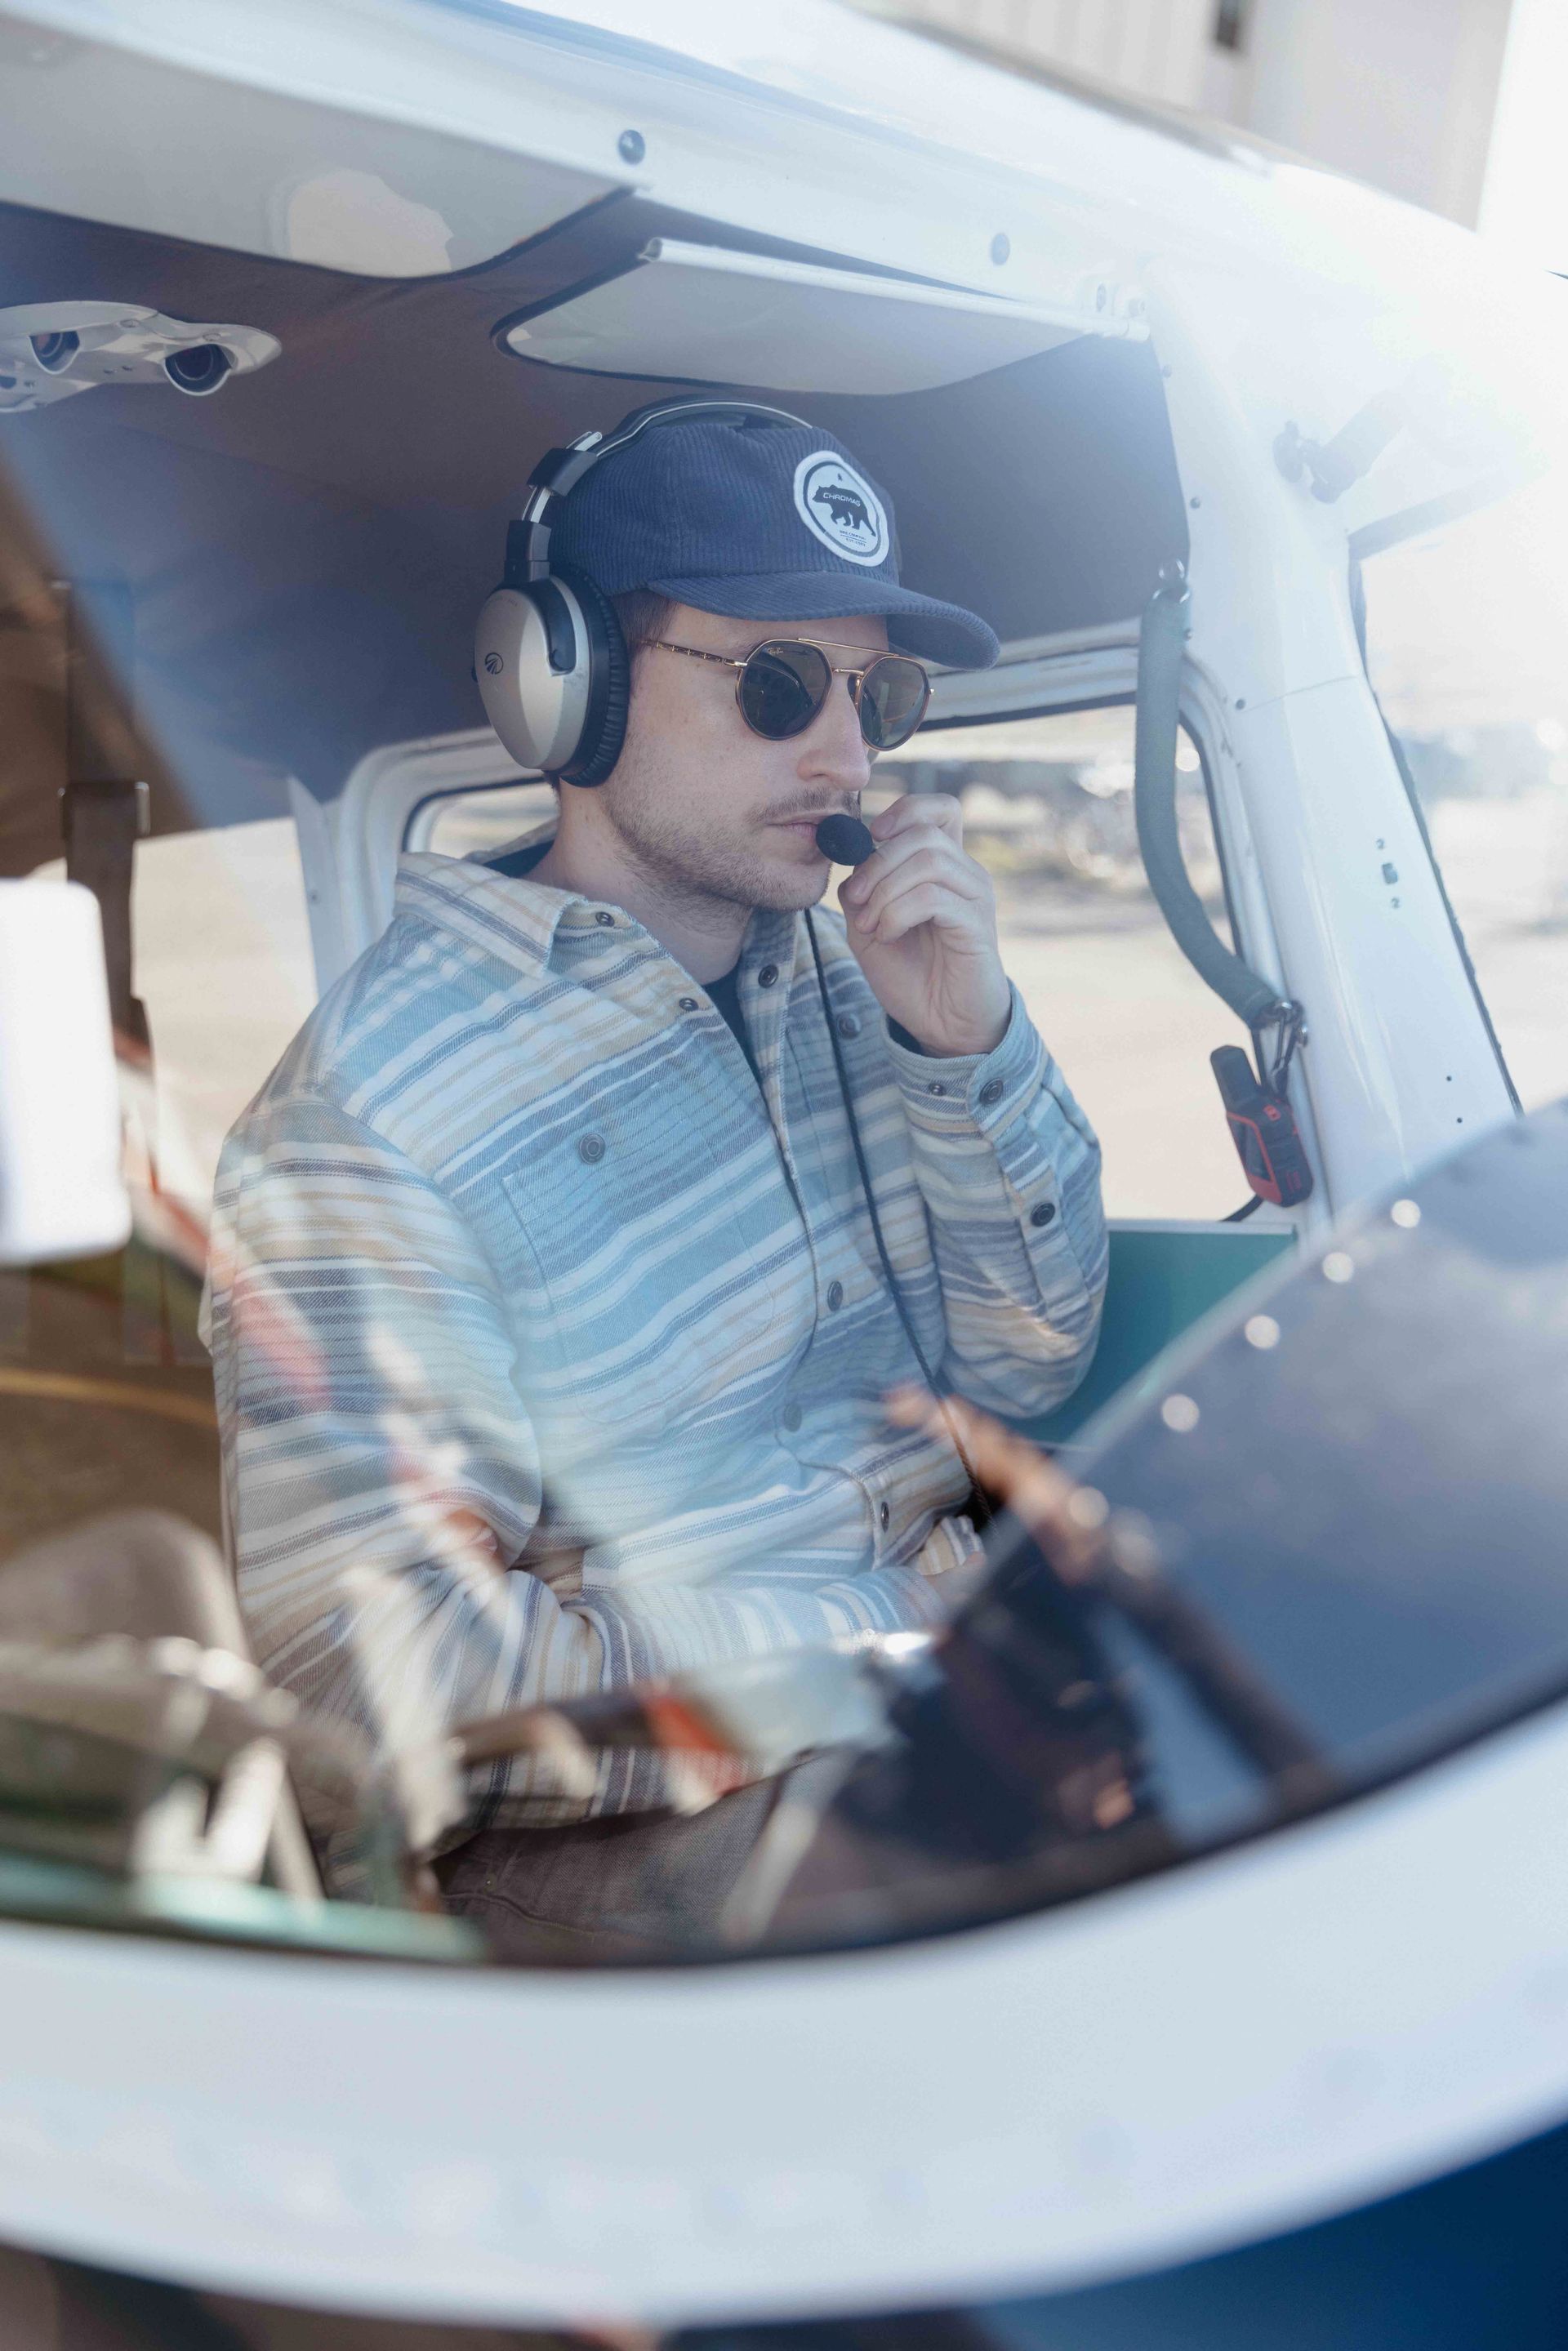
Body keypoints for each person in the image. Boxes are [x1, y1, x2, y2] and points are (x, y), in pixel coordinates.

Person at [203, 411, 1107, 1952]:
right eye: (774, 686)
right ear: (573, 688)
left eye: (878, 694)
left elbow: (1030, 1356)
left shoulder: (852, 979)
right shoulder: (371, 1115)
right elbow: (383, 1670)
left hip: (919, 1715)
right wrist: (882, 1645)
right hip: (631, 1822)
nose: (847, 756)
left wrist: (964, 1049)